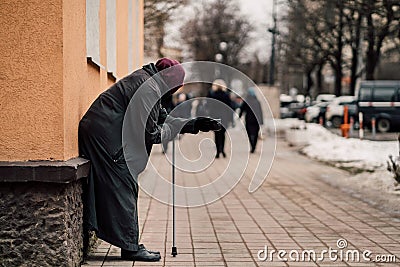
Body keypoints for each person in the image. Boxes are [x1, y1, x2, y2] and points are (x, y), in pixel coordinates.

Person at [78, 58, 220, 261]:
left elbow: (162, 118)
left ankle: (123, 240)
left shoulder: (151, 82)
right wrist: (174, 131)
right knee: (124, 182)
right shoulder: (148, 89)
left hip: (104, 131)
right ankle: (130, 247)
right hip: (104, 135)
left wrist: (194, 124)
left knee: (122, 182)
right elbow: (151, 133)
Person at [207, 79, 233, 158]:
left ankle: (218, 151)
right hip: (224, 116)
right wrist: (230, 119)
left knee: (216, 134)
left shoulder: (211, 95)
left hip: (215, 116)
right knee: (222, 134)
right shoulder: (226, 95)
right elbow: (230, 107)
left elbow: (208, 106)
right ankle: (222, 150)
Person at [239, 87, 264, 153]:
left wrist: (239, 116)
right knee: (255, 134)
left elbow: (242, 109)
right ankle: (254, 146)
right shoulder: (257, 101)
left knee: (249, 133)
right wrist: (261, 121)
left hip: (249, 120)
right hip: (256, 120)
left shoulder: (246, 101)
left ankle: (252, 145)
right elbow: (260, 112)